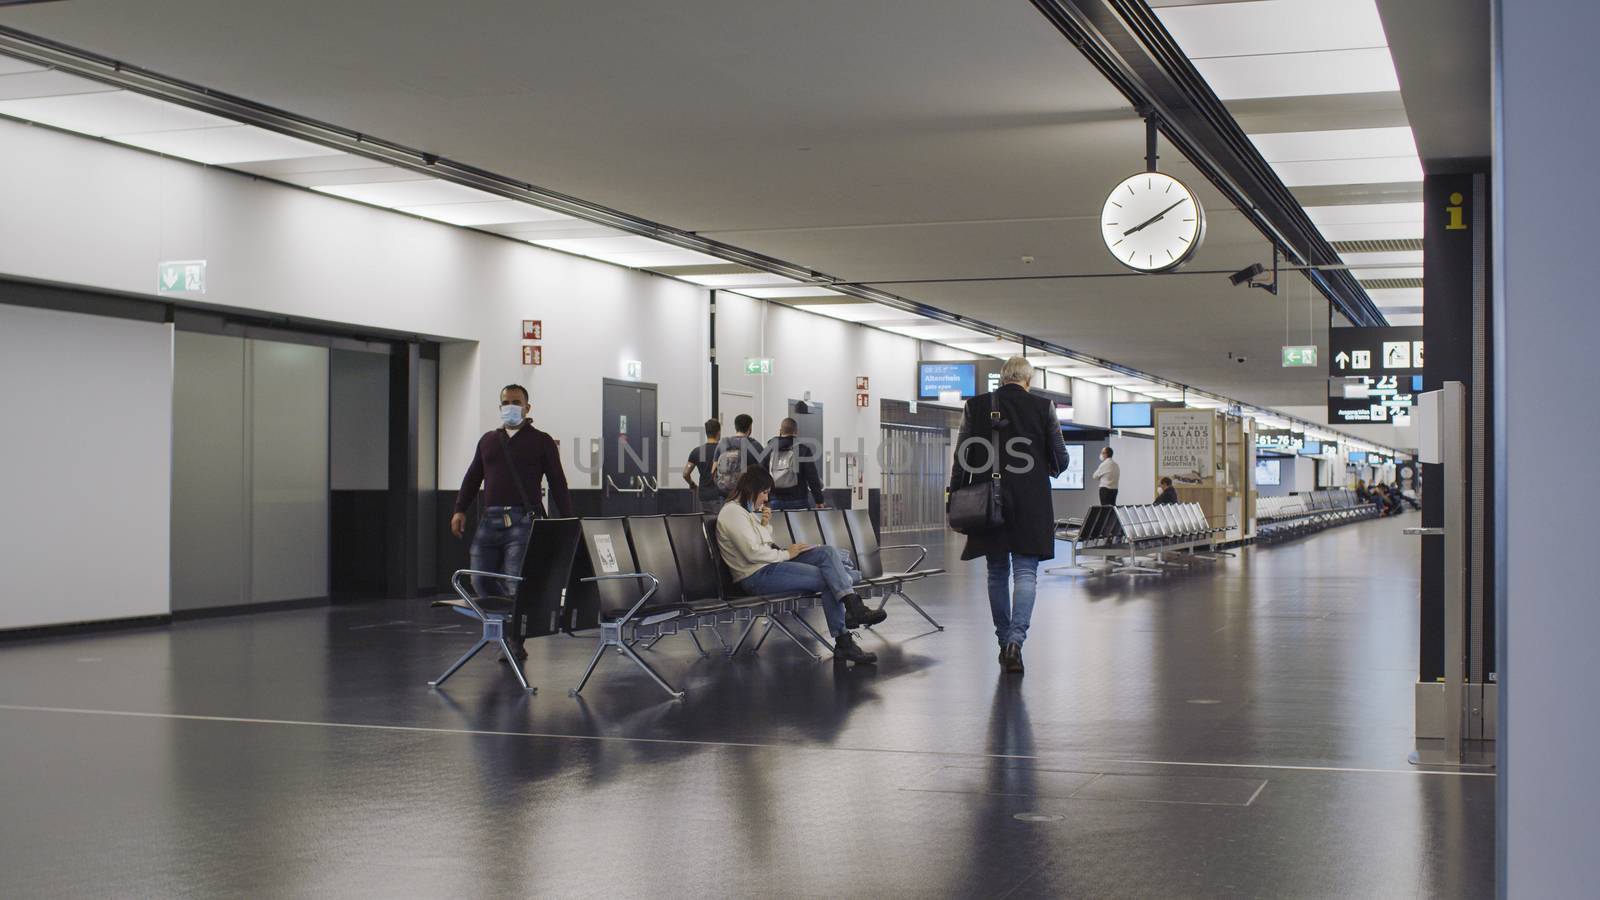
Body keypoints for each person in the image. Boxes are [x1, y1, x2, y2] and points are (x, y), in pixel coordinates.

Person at [949, 356, 1068, 675]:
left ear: (1001, 380)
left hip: (988, 499)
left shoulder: (975, 406)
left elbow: (962, 457)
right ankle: (1016, 642)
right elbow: (1061, 459)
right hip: (1031, 500)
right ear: (1028, 381)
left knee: (997, 572)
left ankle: (1004, 643)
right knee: (1026, 573)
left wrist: (954, 496)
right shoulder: (1043, 407)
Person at [451, 384, 573, 661]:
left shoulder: (541, 441)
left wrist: (566, 518)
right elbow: (473, 477)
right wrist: (460, 509)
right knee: (480, 581)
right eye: (505, 402)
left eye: (516, 402)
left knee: (515, 583)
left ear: (528, 407)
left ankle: (515, 640)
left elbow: (557, 482)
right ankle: (504, 628)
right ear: (499, 406)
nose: (510, 406)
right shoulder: (488, 441)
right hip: (489, 519)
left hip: (523, 520)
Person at [715, 468, 885, 664]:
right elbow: (752, 553)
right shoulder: (732, 513)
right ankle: (845, 638)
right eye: (765, 492)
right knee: (830, 578)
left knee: (826, 552)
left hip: (770, 566)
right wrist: (788, 554)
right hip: (757, 576)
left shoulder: (744, 512)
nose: (766, 498)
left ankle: (853, 607)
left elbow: (761, 545)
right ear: (752, 489)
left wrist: (764, 524)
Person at [765, 417, 827, 511]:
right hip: (799, 500)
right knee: (801, 525)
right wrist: (819, 500)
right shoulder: (803, 450)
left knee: (775, 526)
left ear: (780, 431)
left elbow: (761, 474)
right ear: (796, 431)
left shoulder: (769, 450)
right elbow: (812, 477)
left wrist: (764, 500)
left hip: (775, 499)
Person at [712, 413, 764, 495]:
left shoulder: (723, 443)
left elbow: (713, 471)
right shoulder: (755, 446)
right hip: (746, 494)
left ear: (735, 427)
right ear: (750, 428)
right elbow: (762, 473)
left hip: (725, 493)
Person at [683, 418, 726, 516]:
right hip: (720, 496)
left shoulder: (697, 451)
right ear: (718, 432)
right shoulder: (724, 451)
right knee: (719, 526)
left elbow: (685, 474)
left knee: (704, 525)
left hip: (703, 496)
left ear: (706, 432)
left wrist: (692, 484)